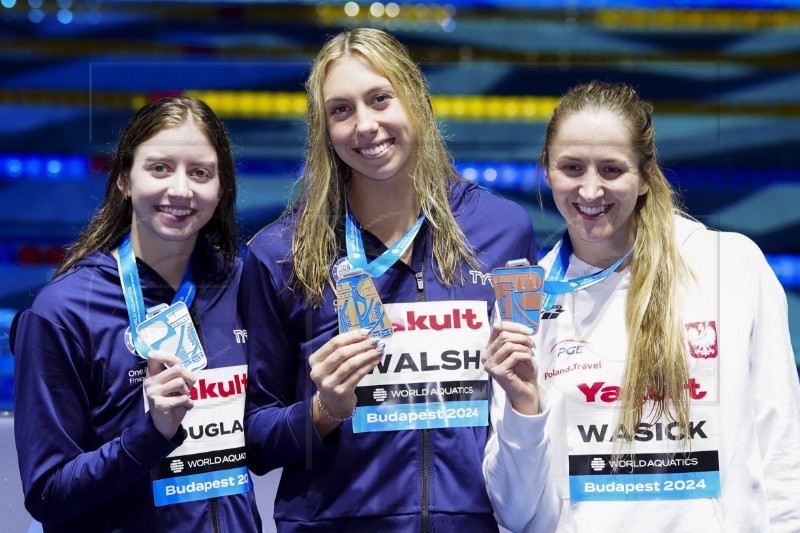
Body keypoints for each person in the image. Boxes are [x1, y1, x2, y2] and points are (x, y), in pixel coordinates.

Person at [239, 28, 538, 531]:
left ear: (416, 99)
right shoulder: (280, 255)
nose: (365, 125)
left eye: (381, 99)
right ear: (322, 128)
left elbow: (526, 397)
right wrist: (324, 410)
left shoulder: (502, 231)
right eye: (341, 110)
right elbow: (254, 438)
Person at [482, 80, 800, 532]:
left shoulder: (729, 264)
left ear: (646, 175)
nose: (590, 191)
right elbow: (513, 513)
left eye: (611, 170)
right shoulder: (525, 302)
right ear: (546, 172)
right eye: (572, 167)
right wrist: (524, 408)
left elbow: (782, 445)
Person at [11, 96, 262, 532]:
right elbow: (48, 492)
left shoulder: (242, 288)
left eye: (200, 172)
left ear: (221, 188)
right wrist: (152, 434)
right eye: (159, 168)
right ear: (125, 178)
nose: (181, 190)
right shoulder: (63, 312)